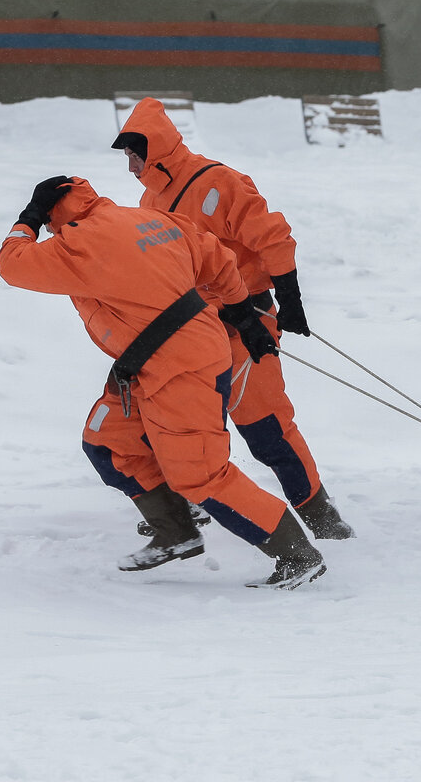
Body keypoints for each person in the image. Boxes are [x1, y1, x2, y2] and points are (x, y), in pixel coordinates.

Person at [0, 175, 327, 589]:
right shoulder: (149, 219)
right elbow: (218, 257)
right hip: (149, 362)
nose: (48, 233)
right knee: (108, 441)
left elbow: (12, 264)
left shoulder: (78, 243)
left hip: (181, 365)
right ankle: (176, 532)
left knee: (201, 474)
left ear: (54, 216)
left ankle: (297, 555)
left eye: (48, 223)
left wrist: (27, 217)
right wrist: (243, 312)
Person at [109, 97, 353, 542]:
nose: (130, 166)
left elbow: (273, 235)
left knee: (266, 428)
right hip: (189, 330)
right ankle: (182, 510)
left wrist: (290, 298)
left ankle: (321, 516)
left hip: (247, 321)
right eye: (126, 156)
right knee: (175, 426)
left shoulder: (219, 182)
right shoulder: (150, 196)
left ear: (155, 147)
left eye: (133, 154)